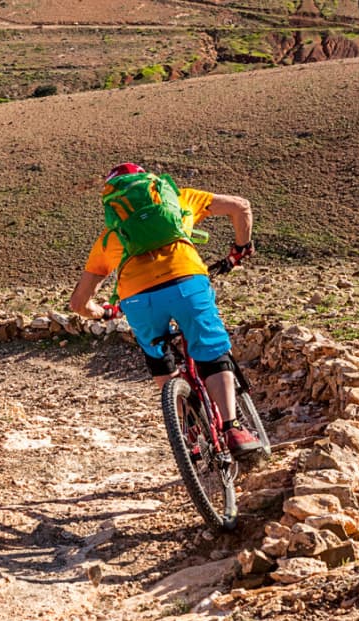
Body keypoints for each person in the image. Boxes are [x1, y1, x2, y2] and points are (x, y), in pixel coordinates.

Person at [69, 162, 263, 459]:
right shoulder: (181, 199)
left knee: (158, 356)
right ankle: (232, 427)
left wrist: (105, 313)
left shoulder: (111, 237)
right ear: (153, 186)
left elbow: (79, 304)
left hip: (137, 297)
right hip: (186, 280)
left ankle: (188, 430)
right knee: (211, 351)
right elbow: (241, 207)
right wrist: (240, 248)